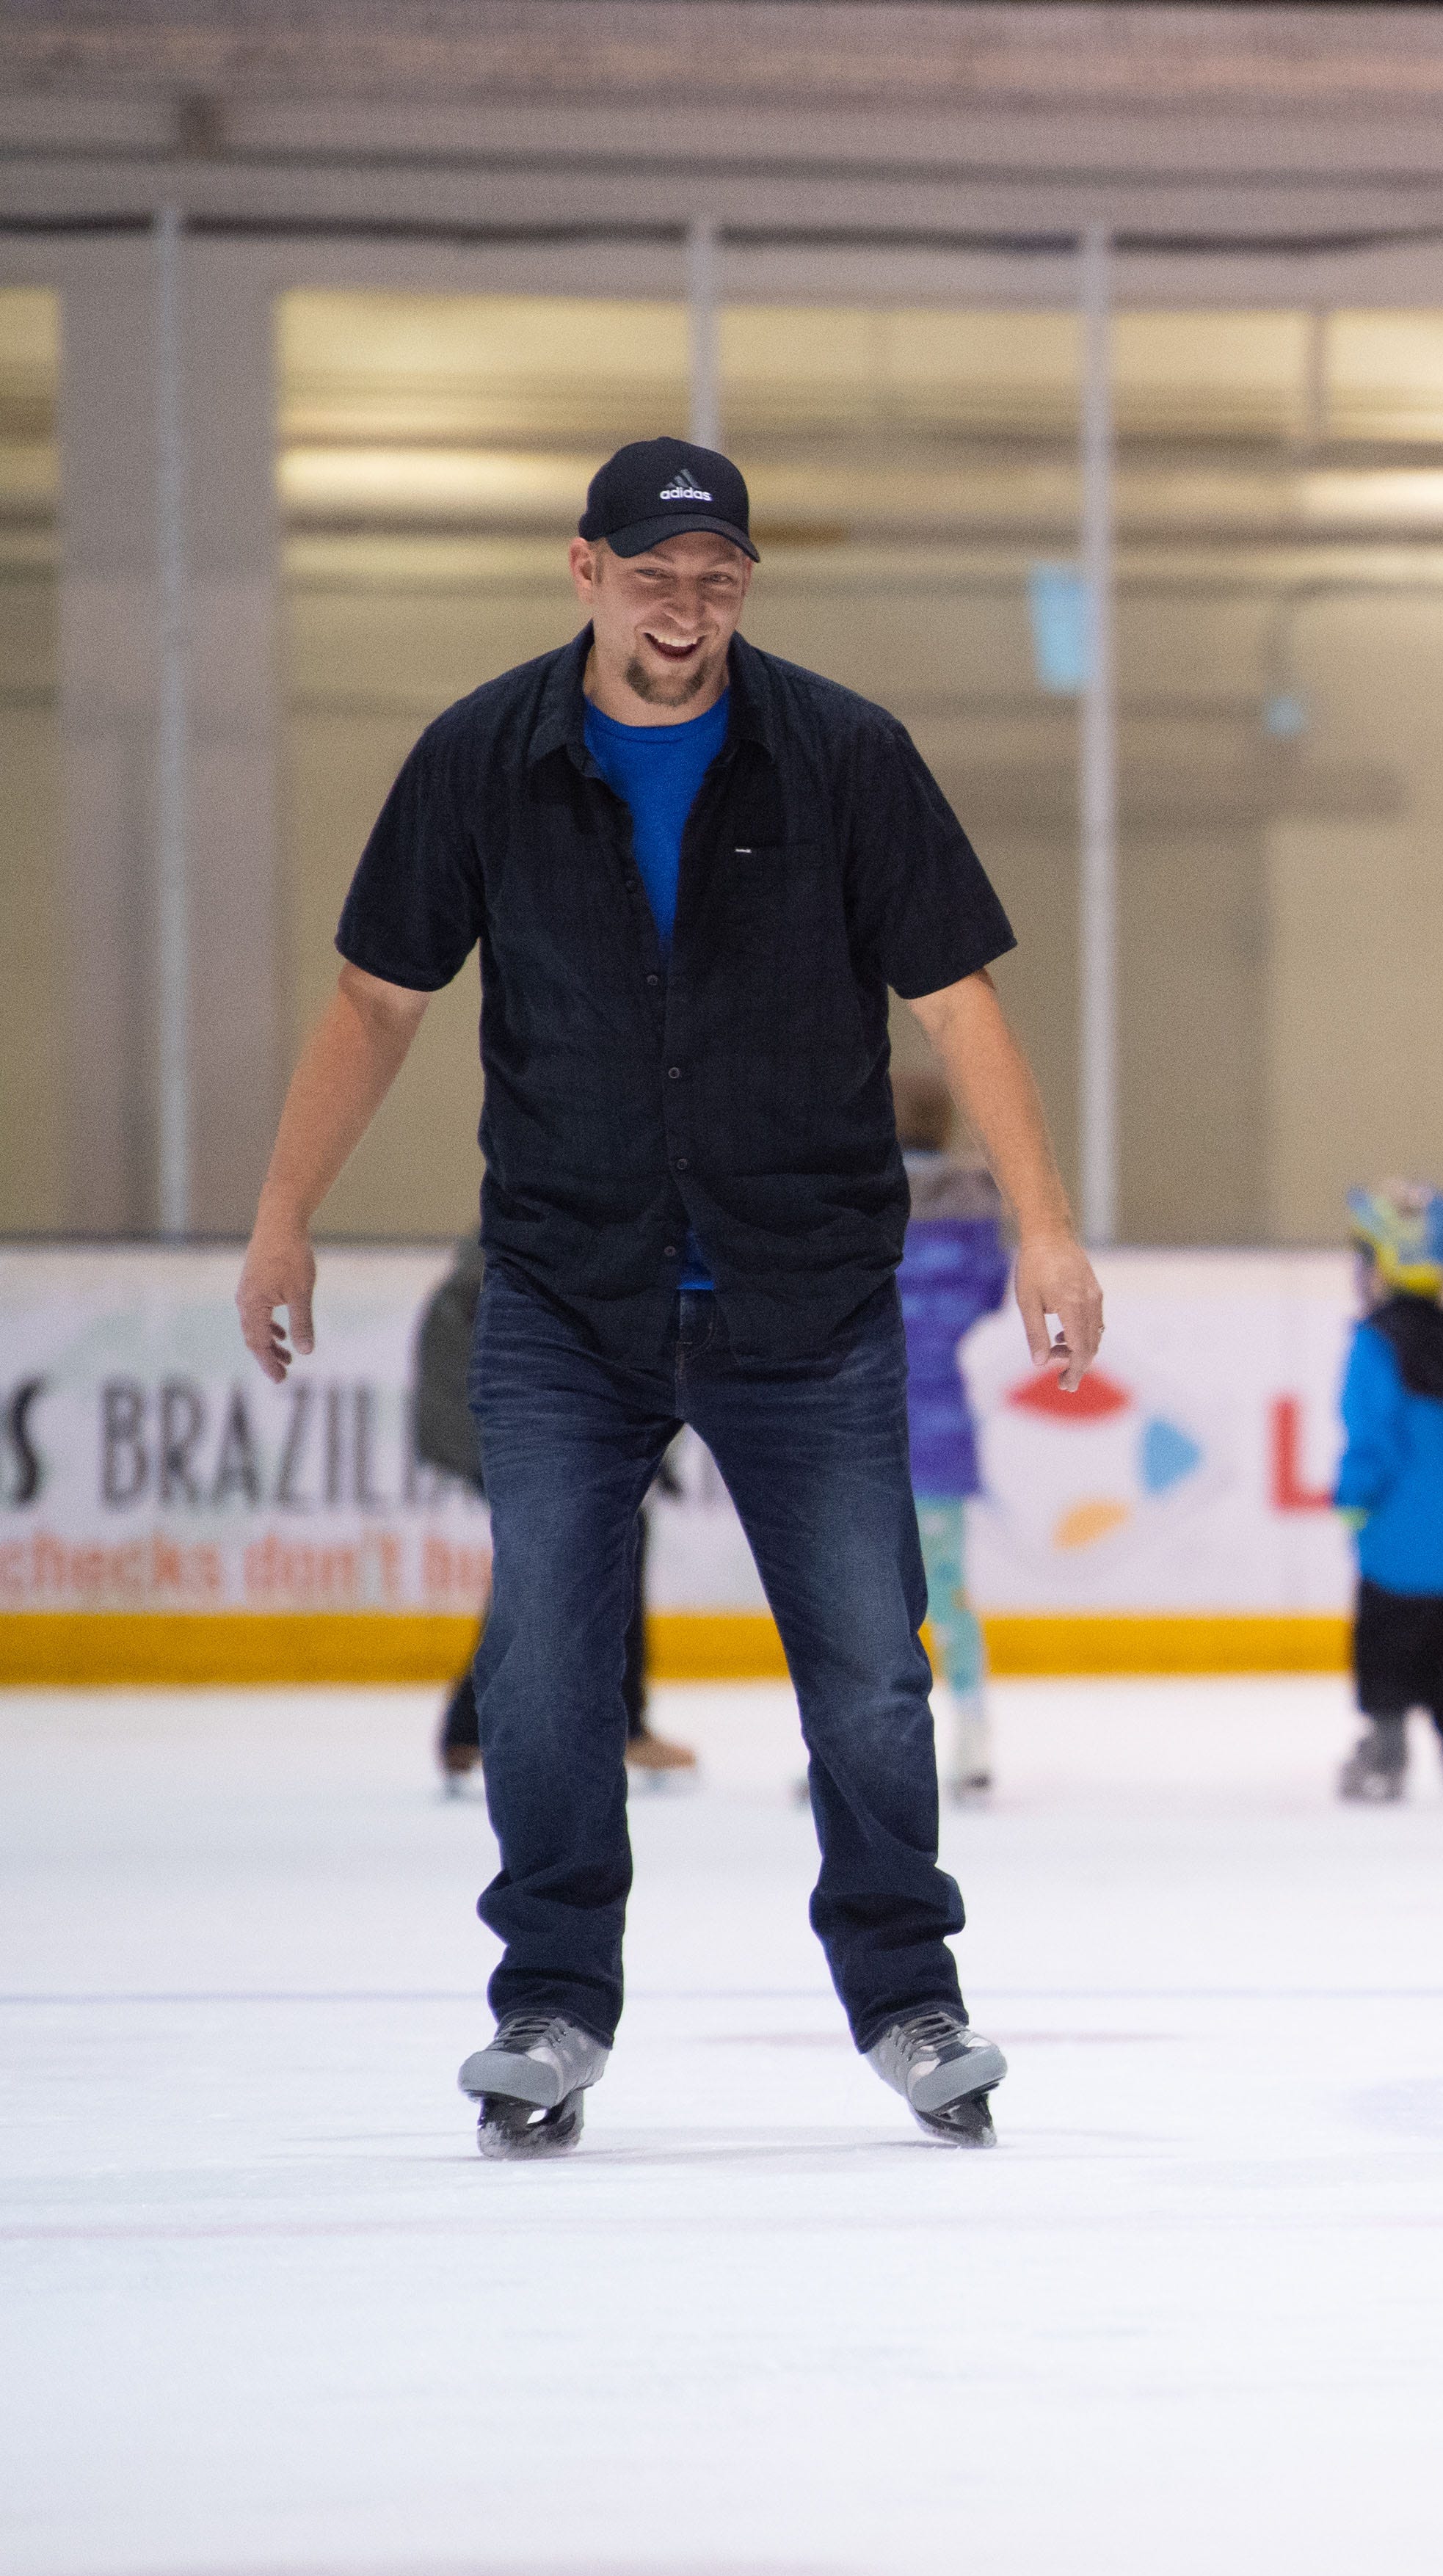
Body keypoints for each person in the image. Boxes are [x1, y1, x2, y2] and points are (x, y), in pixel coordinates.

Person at [232, 436, 1102, 2158]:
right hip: (566, 1285)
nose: (684, 611)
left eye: (715, 581)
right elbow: (376, 999)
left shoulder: (843, 755)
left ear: (744, 589)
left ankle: (908, 1990)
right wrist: (282, 1213)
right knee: (550, 1659)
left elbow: (959, 1001)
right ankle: (550, 2002)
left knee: (865, 1664)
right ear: (585, 574)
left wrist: (1044, 1225)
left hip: (811, 1288)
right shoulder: (485, 757)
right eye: (653, 578)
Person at [413, 1234, 702, 1798]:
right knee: (580, 1540)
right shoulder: (546, 1223)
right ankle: (603, 1721)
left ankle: (475, 1724)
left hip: (501, 1404)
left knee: (578, 1543)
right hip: (502, 1408)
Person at [1335, 1180, 1443, 1805]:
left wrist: (1353, 1498)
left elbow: (1370, 1437)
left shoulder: (1375, 1345)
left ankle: (1389, 1738)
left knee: (1386, 1641)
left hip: (1391, 1544)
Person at [893, 1065, 1008, 1802]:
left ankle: (858, 1748)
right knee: (948, 1592)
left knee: (856, 1600)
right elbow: (993, 1293)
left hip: (856, 1429)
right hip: (940, 1426)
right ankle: (972, 1738)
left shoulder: (849, 1197)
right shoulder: (973, 1212)